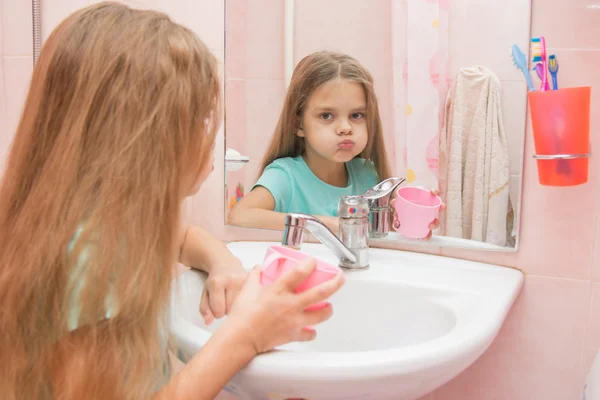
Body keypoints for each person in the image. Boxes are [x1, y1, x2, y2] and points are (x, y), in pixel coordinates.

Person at [0, 3, 343, 400]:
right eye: (198, 119)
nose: (208, 135)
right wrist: (246, 336)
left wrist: (223, 263)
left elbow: (183, 238)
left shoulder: (96, 222)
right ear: (146, 139)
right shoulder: (87, 259)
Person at [229, 51, 392, 233]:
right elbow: (240, 216)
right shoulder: (285, 176)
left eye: (356, 115)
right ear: (298, 124)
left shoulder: (367, 174)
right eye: (326, 116)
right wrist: (325, 225)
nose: (346, 128)